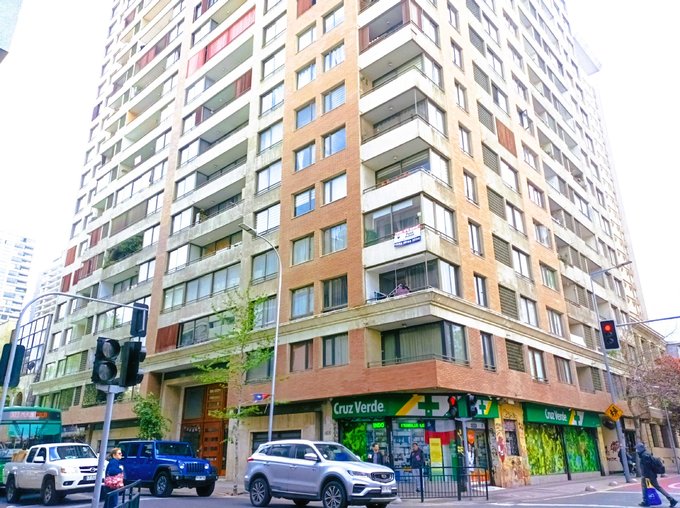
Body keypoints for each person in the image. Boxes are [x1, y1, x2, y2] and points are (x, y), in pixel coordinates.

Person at [636, 442, 677, 507]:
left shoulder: (644, 456)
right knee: (655, 487)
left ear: (640, 449)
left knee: (647, 487)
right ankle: (671, 499)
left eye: (637, 449)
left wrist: (645, 476)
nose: (636, 450)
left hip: (648, 475)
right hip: (650, 474)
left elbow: (647, 467)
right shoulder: (646, 454)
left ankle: (646, 502)